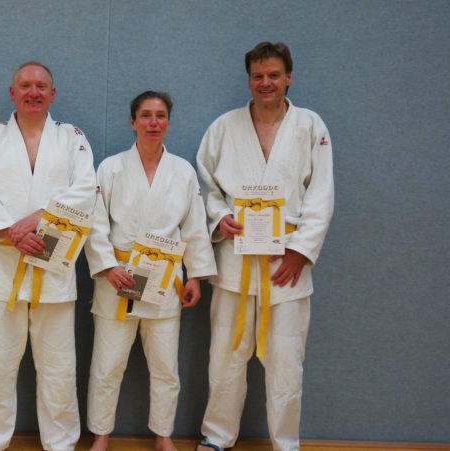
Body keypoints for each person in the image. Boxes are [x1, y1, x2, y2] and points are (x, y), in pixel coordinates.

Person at [195, 42, 334, 451]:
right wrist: (219, 217)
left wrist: (301, 250)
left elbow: (322, 193)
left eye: (274, 75)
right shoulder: (224, 127)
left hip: (285, 261)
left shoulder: (310, 126)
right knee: (225, 356)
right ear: (249, 80)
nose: (266, 83)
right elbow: (204, 185)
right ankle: (217, 436)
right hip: (235, 258)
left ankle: (285, 443)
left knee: (286, 362)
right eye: (258, 76)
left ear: (288, 77)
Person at [0, 61, 97, 451]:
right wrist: (12, 233)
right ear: (12, 93)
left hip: (53, 268)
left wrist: (40, 217)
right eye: (25, 86)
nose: (33, 92)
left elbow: (85, 189)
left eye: (41, 86)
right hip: (3, 266)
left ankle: (61, 443)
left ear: (52, 94)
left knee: (58, 366)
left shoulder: (72, 137)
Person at [84, 91, 217, 451]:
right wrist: (107, 267)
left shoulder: (183, 172)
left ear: (168, 122)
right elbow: (95, 224)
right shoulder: (110, 168)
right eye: (145, 115)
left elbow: (194, 227)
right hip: (119, 278)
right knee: (107, 366)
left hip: (164, 282)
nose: (153, 122)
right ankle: (101, 435)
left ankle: (163, 435)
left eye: (160, 115)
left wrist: (196, 276)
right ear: (133, 122)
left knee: (165, 368)